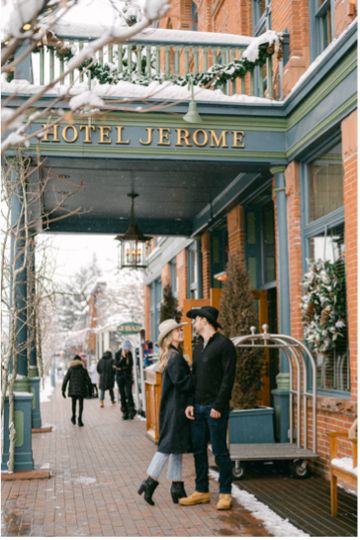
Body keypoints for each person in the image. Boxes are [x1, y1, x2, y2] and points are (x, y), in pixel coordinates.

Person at [179, 306, 236, 511]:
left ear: (204, 320)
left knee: (220, 451)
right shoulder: (198, 346)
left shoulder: (224, 345)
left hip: (215, 408)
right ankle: (201, 491)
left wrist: (219, 405)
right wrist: (189, 403)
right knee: (198, 450)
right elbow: (195, 378)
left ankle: (225, 493)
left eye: (196, 320)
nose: (194, 324)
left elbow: (228, 379)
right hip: (198, 408)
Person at [138, 319, 193, 506]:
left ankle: (177, 487)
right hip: (176, 409)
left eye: (179, 329)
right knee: (167, 447)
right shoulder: (175, 357)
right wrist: (196, 378)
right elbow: (182, 382)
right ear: (169, 337)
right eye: (176, 331)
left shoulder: (174, 355)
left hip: (174, 407)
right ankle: (149, 482)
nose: (179, 332)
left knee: (175, 447)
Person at [61, 354, 93, 427]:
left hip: (73, 389)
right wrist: (90, 391)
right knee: (81, 404)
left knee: (73, 404)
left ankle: (73, 417)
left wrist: (63, 390)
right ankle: (80, 419)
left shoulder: (70, 369)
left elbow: (65, 379)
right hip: (81, 389)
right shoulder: (83, 370)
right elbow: (89, 381)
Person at [114, 340, 136, 420]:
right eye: (126, 349)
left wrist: (121, 368)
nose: (127, 351)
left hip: (128, 377)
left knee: (128, 393)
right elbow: (116, 364)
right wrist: (122, 358)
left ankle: (131, 410)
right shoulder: (117, 354)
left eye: (128, 349)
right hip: (120, 377)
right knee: (122, 394)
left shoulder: (130, 354)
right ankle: (124, 412)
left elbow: (130, 365)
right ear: (123, 348)